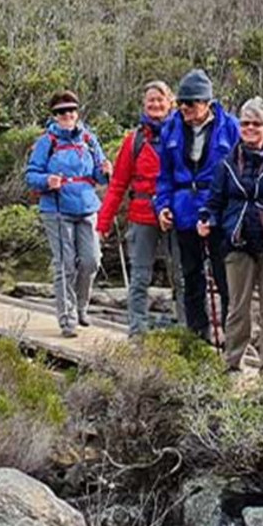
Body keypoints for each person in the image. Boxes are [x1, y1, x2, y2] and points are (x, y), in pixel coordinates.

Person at [198, 97, 263, 373]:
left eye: (257, 124)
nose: (250, 128)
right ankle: (233, 362)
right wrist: (206, 218)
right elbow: (214, 201)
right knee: (238, 308)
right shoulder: (227, 164)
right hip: (237, 242)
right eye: (245, 123)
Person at [155, 69, 240, 344]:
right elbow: (164, 175)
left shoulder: (230, 127)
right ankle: (197, 334)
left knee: (224, 276)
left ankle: (232, 338)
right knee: (191, 276)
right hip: (183, 211)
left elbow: (239, 170)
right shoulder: (171, 127)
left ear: (206, 102)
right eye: (181, 102)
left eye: (190, 103)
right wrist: (163, 206)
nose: (184, 108)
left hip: (219, 211)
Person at [98, 80, 181, 335]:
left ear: (171, 103)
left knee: (182, 276)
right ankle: (137, 331)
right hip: (142, 215)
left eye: (160, 100)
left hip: (175, 215)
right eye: (151, 101)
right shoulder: (133, 141)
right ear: (144, 105)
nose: (155, 104)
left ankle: (187, 331)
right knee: (140, 278)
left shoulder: (182, 136)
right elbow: (118, 185)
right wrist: (103, 223)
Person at [25, 91, 109, 338]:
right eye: (62, 111)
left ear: (77, 112)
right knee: (66, 265)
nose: (67, 115)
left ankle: (82, 307)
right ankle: (67, 319)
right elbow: (31, 175)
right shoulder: (46, 142)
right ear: (55, 115)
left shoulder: (88, 139)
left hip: (87, 206)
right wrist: (46, 180)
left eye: (71, 110)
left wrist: (106, 170)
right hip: (57, 209)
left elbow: (99, 175)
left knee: (92, 260)